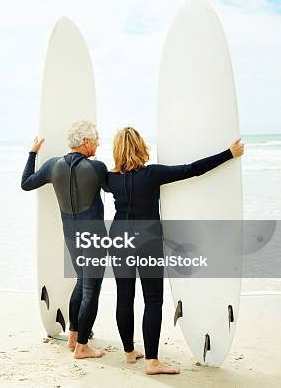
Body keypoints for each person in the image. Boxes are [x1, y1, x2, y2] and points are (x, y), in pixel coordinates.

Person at [105, 126, 244, 375]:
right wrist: (228, 154)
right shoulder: (152, 174)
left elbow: (86, 179)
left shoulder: (110, 178)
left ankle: (128, 353)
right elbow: (192, 169)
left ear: (117, 151)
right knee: (152, 299)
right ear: (140, 147)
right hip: (147, 241)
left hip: (118, 239)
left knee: (124, 296)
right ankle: (152, 362)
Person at [21, 120, 109, 359]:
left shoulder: (52, 166)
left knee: (82, 282)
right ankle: (82, 346)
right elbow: (118, 189)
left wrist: (32, 153)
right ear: (87, 142)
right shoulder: (97, 168)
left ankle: (72, 336)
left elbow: (26, 183)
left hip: (71, 236)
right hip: (95, 239)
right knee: (92, 290)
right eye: (97, 140)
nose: (99, 144)